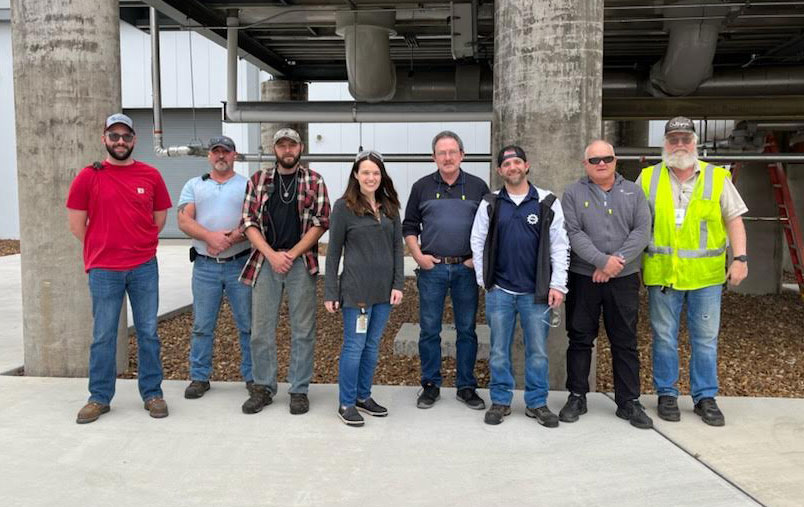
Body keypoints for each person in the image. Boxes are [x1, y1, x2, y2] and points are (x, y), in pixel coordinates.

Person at [637, 117, 748, 426]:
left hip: (706, 278)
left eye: (686, 139)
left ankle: (705, 397)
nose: (680, 144)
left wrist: (740, 258)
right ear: (665, 144)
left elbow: (734, 220)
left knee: (705, 339)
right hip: (663, 275)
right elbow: (635, 224)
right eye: (674, 139)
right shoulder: (647, 178)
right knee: (663, 337)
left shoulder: (717, 177)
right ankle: (667, 394)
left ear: (695, 143)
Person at [67, 113, 172, 423]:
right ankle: (99, 398)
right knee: (103, 335)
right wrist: (105, 245)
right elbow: (76, 225)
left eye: (126, 136)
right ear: (104, 139)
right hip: (104, 270)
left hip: (143, 267)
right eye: (114, 136)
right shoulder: (88, 176)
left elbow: (160, 217)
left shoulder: (150, 175)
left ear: (134, 140)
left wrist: (138, 244)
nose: (121, 141)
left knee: (148, 332)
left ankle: (152, 393)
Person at [470, 145, 569, 426]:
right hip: (500, 290)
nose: (512, 167)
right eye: (506, 164)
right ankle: (500, 401)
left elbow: (560, 246)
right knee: (499, 349)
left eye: (517, 162)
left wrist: (558, 285)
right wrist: (484, 280)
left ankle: (537, 402)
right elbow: (477, 241)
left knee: (537, 350)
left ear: (526, 166)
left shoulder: (547, 201)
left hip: (535, 293)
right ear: (500, 171)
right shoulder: (490, 203)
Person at [560, 140, 653, 429]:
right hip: (583, 277)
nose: (601, 163)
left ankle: (628, 401)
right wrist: (601, 261)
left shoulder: (634, 192)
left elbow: (642, 230)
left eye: (607, 158)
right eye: (595, 159)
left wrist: (615, 263)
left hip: (622, 279)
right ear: (585, 164)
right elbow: (573, 232)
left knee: (624, 340)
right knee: (579, 338)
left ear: (615, 161)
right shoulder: (573, 193)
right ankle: (577, 395)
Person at [239, 128, 330, 415]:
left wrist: (290, 254)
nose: (287, 150)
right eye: (282, 145)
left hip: (300, 262)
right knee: (261, 330)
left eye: (292, 145)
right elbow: (248, 222)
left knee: (303, 330)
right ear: (274, 149)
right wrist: (271, 255)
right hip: (265, 262)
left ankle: (299, 389)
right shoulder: (259, 180)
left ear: (300, 147)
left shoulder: (314, 181)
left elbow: (321, 221)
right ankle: (264, 387)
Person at [402, 131, 490, 410]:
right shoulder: (421, 187)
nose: (448, 157)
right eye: (442, 153)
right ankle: (430, 385)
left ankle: (466, 386)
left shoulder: (478, 186)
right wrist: (418, 256)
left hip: (465, 269)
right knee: (429, 330)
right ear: (434, 157)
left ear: (462, 155)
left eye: (453, 152)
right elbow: (409, 226)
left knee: (467, 330)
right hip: (433, 269)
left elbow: (490, 227)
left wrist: (478, 258)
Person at [324, 150, 404, 427]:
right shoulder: (343, 207)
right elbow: (333, 253)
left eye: (376, 173)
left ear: (382, 177)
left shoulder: (390, 206)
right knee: (355, 346)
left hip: (383, 291)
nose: (371, 177)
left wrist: (398, 284)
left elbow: (397, 249)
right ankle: (346, 402)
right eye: (366, 172)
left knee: (372, 347)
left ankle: (363, 396)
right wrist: (330, 292)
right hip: (356, 290)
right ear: (356, 175)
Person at [177, 136, 253, 399]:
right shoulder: (194, 185)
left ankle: (253, 377)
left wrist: (231, 238)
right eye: (216, 152)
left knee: (248, 324)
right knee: (202, 324)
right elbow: (184, 221)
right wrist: (211, 237)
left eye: (226, 152)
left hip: (240, 263)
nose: (221, 156)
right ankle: (199, 377)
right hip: (205, 266)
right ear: (209, 156)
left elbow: (254, 219)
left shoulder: (247, 185)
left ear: (235, 156)